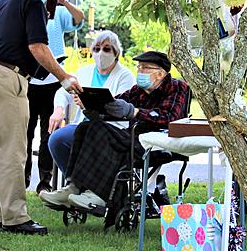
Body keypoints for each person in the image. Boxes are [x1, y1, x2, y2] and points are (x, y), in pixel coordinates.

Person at [0, 0, 81, 235]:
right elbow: (37, 47)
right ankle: (15, 217)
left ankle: (2, 213)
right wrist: (64, 77)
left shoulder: (0, 2)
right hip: (10, 77)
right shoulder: (32, 2)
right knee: (14, 149)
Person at [40, 50, 188, 213]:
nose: (139, 71)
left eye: (145, 67)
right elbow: (113, 104)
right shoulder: (138, 90)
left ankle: (99, 193)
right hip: (134, 137)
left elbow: (170, 117)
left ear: (160, 73)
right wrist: (89, 104)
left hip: (158, 142)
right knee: (86, 127)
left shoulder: (177, 87)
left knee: (102, 135)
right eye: (138, 67)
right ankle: (74, 186)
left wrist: (135, 112)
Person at [46, 30, 135, 177]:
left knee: (84, 140)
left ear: (116, 53)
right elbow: (63, 92)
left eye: (106, 49)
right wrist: (58, 110)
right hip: (82, 126)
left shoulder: (125, 76)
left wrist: (86, 104)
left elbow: (118, 108)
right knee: (57, 139)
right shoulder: (84, 72)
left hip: (110, 130)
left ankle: (81, 185)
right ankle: (74, 182)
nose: (101, 53)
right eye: (97, 49)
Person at [25, 0, 84, 193]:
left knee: (47, 133)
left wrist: (64, 3)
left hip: (53, 81)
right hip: (29, 80)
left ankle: (45, 182)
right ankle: (22, 179)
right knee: (26, 132)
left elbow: (79, 19)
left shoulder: (57, 13)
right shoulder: (27, 11)